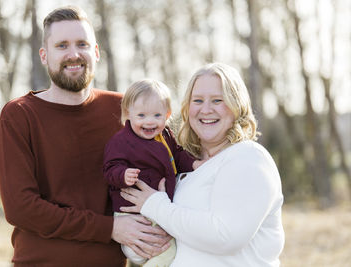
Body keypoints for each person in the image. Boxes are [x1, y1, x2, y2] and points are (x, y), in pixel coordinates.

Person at [0, 6, 170, 266]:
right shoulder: (19, 116)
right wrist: (109, 229)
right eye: (62, 45)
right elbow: (22, 208)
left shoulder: (126, 111)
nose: (73, 54)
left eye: (82, 44)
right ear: (44, 55)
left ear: (95, 52)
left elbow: (170, 162)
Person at [120, 62, 285, 266]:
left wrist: (154, 204)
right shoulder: (187, 167)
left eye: (217, 100)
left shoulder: (248, 157)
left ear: (237, 106)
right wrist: (139, 242)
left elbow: (226, 236)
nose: (206, 110)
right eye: (197, 100)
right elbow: (179, 234)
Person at [103, 79, 204, 266]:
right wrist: (122, 175)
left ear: (167, 115)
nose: (149, 122)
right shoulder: (121, 142)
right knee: (164, 251)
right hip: (133, 216)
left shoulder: (165, 135)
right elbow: (110, 168)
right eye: (141, 115)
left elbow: (178, 156)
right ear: (128, 114)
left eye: (157, 115)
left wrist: (195, 164)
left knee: (170, 249)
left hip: (159, 210)